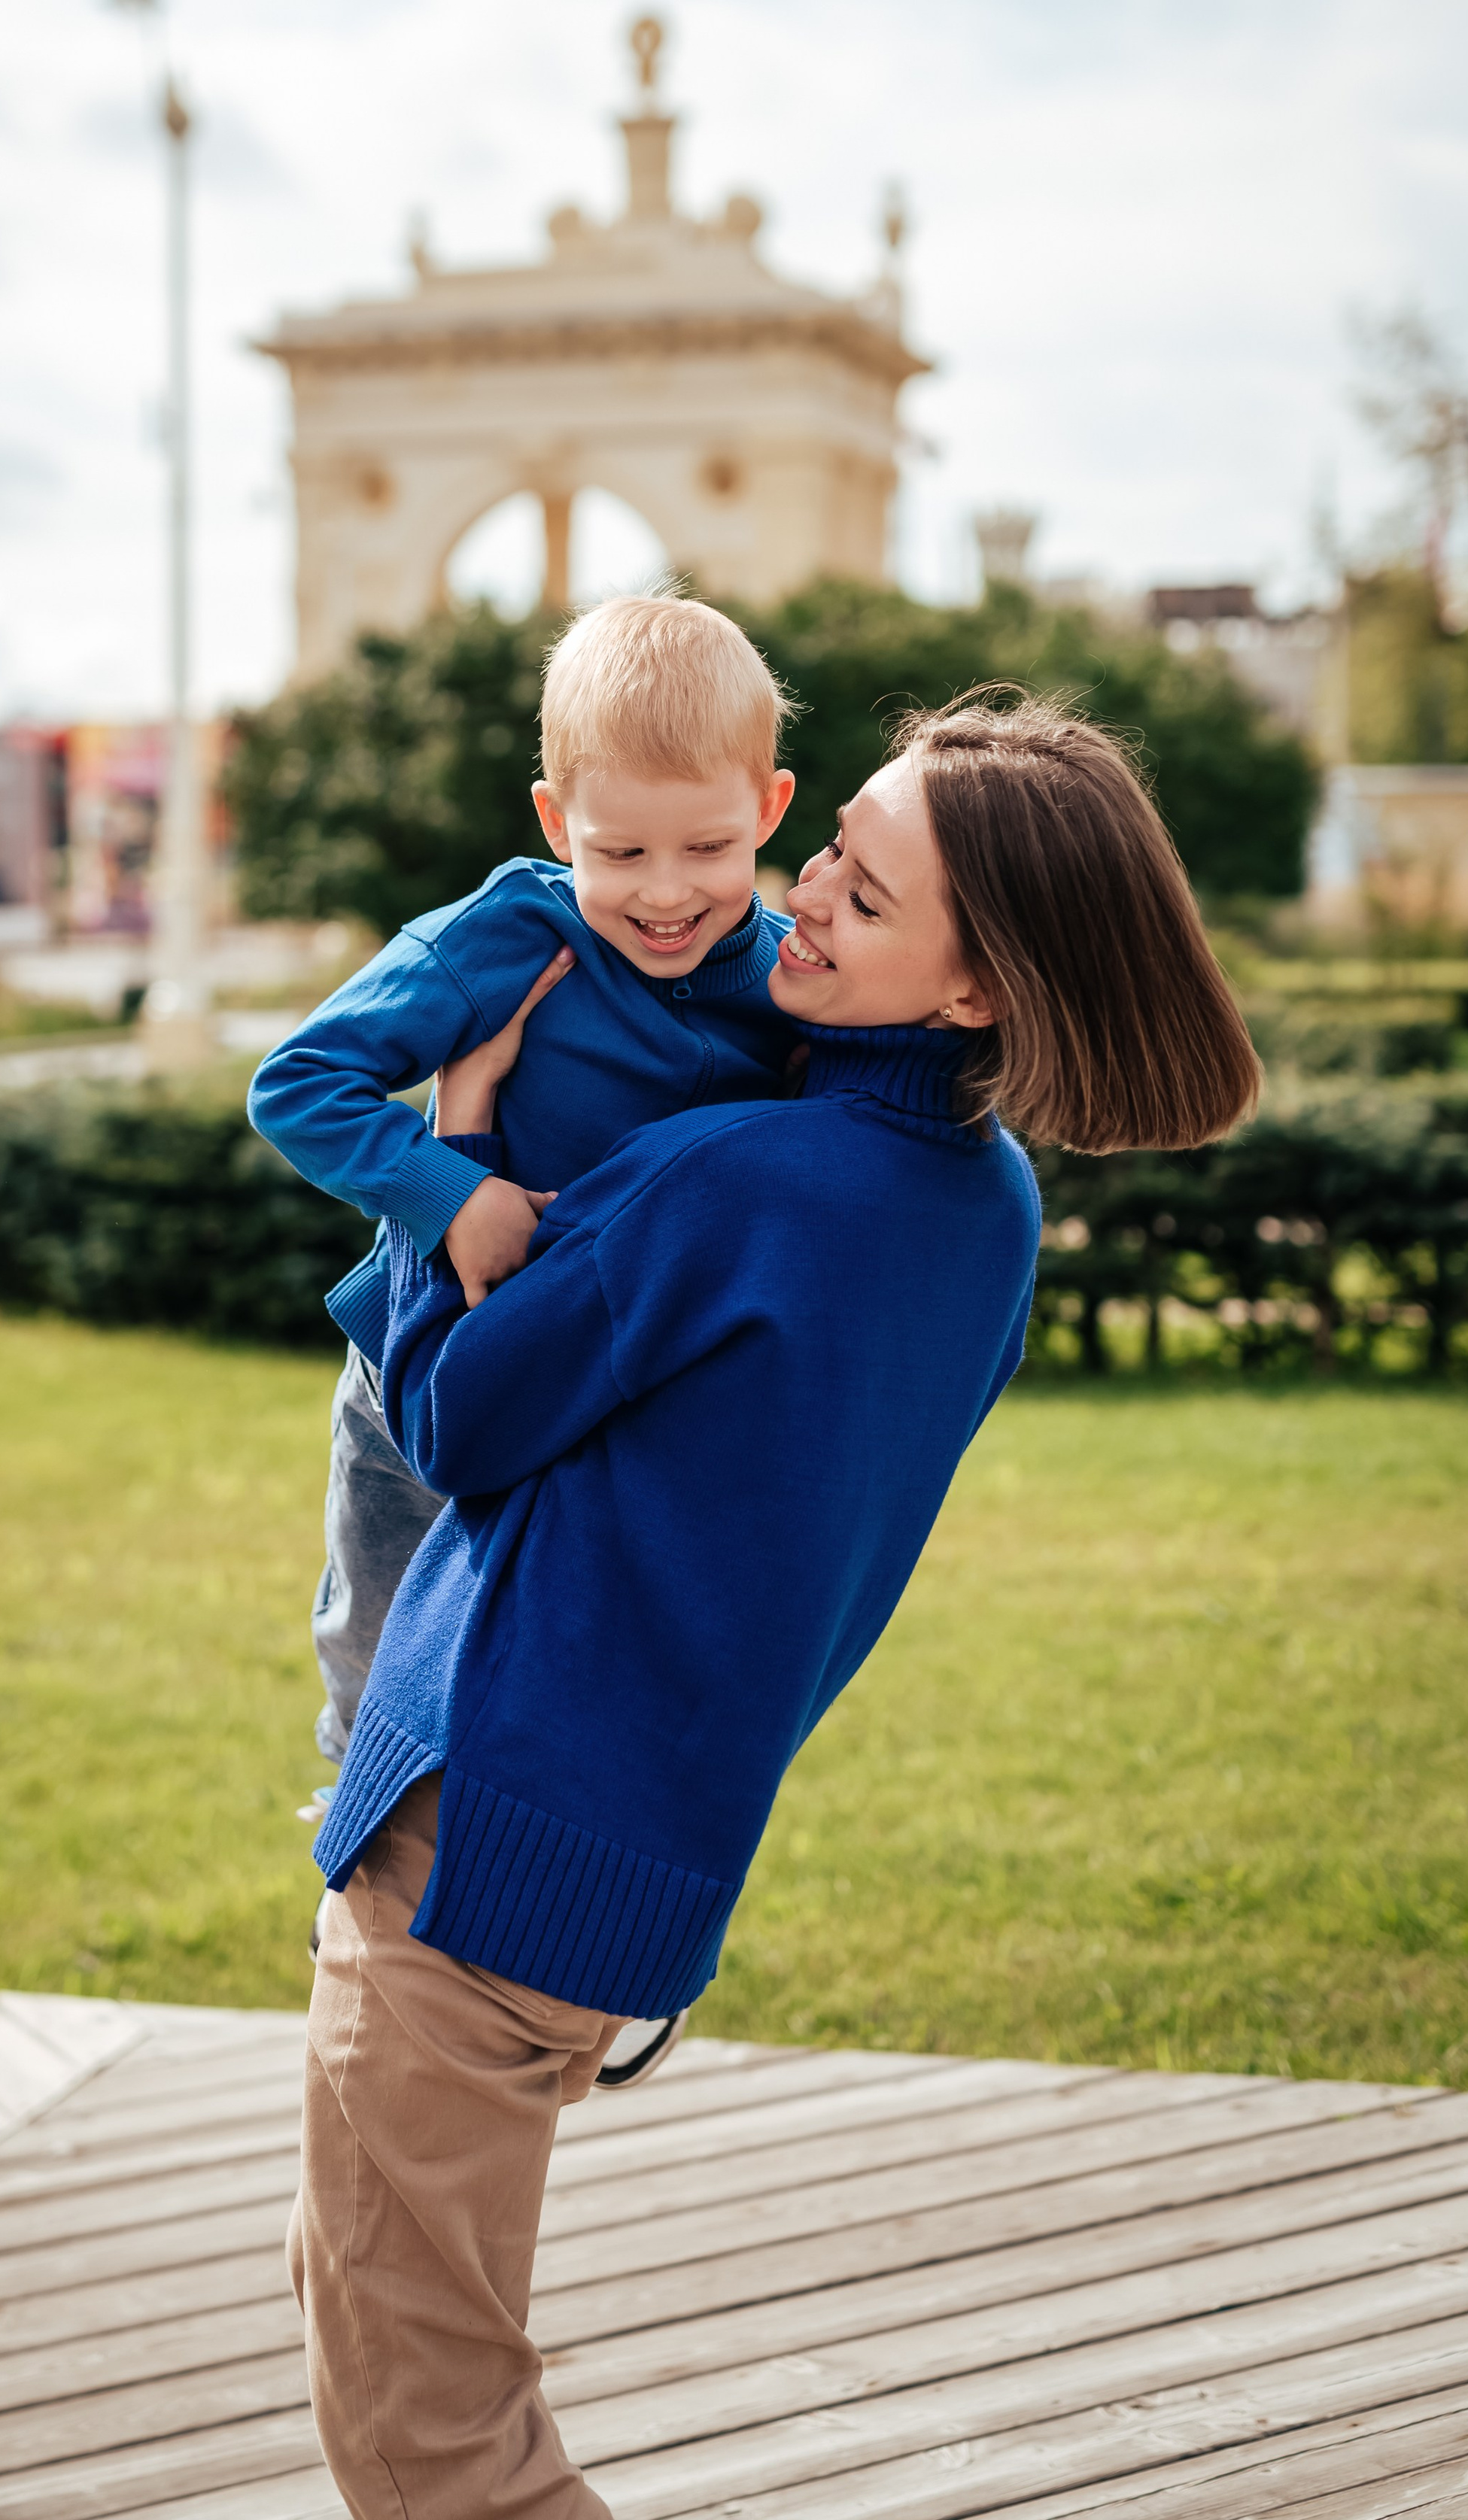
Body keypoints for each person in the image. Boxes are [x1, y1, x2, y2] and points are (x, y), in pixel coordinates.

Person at [287, 693, 1262, 2520]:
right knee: (418, 2354)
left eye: (863, 898)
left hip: (476, 1835)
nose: (795, 902)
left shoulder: (733, 1179)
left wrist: (455, 1152)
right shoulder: (983, 1204)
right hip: (635, 1862)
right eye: (830, 853)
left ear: (974, 990)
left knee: (435, 2446)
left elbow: (454, 1420)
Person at [248, 593, 798, 1800]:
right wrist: (452, 1193)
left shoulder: (788, 980)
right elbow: (298, 1085)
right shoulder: (509, 935)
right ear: (557, 823)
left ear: (771, 808)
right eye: (620, 852)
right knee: (382, 1657)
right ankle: (356, 1859)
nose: (666, 894)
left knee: (560, 1703)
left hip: (595, 1397)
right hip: (420, 1375)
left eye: (709, 847)